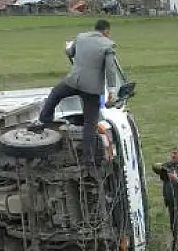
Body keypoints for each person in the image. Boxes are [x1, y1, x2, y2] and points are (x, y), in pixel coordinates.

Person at [28, 19, 118, 164]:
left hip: (74, 81)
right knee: (90, 122)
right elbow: (110, 69)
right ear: (106, 31)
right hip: (92, 88)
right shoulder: (108, 45)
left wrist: (67, 48)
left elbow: (70, 52)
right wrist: (112, 91)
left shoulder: (81, 37)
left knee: (55, 94)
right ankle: (87, 157)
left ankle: (44, 120)